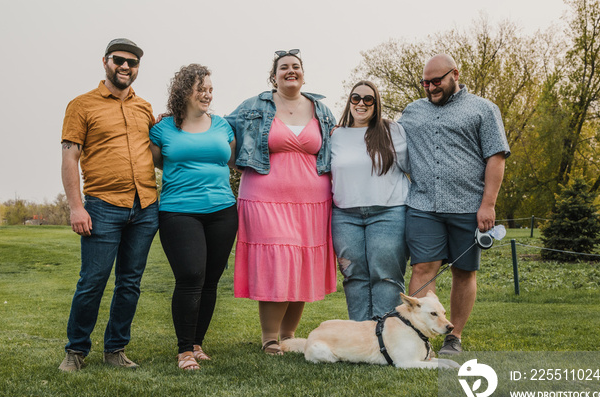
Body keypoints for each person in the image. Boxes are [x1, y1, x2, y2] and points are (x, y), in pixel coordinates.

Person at [225, 49, 337, 355]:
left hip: (314, 202)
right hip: (264, 198)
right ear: (273, 76)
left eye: (296, 66)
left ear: (303, 73)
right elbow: (222, 133)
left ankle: (288, 336)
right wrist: (239, 162)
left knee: (300, 262)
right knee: (278, 260)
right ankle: (270, 338)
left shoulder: (322, 110)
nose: (291, 71)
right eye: (283, 67)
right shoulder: (252, 106)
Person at [58, 38, 159, 372]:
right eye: (120, 60)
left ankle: (115, 349)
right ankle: (75, 351)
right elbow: (70, 157)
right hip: (102, 206)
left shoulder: (144, 107)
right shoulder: (81, 105)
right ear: (106, 61)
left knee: (130, 282)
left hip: (145, 207)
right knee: (93, 281)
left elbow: (156, 155)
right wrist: (76, 206)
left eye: (133, 63)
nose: (126, 67)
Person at [399, 54, 509, 354]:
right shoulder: (411, 112)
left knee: (464, 272)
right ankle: (418, 336)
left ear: (455, 75)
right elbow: (385, 138)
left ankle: (453, 336)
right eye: (425, 83)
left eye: (436, 81)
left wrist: (488, 204)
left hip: (468, 207)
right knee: (423, 268)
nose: (431, 87)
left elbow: (496, 158)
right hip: (422, 205)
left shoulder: (484, 110)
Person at [150, 64, 238, 371]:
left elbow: (230, 159)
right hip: (179, 211)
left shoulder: (223, 126)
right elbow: (159, 162)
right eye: (201, 89)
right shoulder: (162, 129)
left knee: (211, 280)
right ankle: (184, 350)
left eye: (210, 89)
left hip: (223, 211)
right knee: (190, 276)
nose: (207, 94)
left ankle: (197, 344)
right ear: (184, 91)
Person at [330, 81, 410, 321]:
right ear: (349, 102)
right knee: (354, 276)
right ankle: (360, 335)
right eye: (356, 98)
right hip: (345, 215)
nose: (361, 103)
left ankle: (386, 336)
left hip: (388, 213)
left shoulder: (392, 131)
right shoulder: (335, 135)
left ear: (376, 104)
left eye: (368, 99)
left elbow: (411, 168)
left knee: (386, 275)